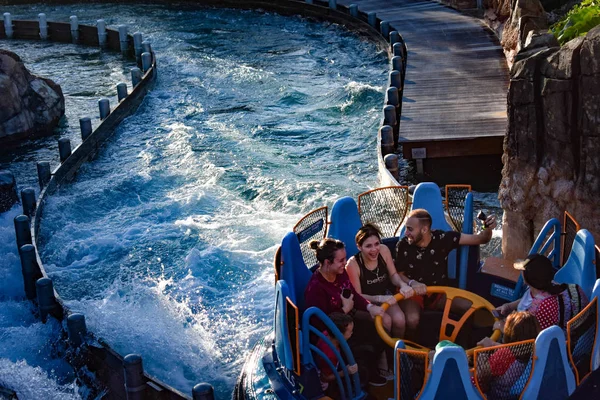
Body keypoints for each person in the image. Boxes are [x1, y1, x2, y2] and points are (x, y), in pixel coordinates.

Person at [394, 208, 497, 334]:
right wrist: (412, 283)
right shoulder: (403, 246)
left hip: (439, 294)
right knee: (412, 319)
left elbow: (481, 239)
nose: (406, 233)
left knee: (469, 308)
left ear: (425, 230)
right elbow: (398, 274)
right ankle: (410, 349)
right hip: (413, 294)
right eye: (406, 228)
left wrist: (487, 227)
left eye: (410, 229)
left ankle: (463, 346)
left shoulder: (442, 239)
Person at [304, 238, 388, 386]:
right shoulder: (315, 288)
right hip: (331, 335)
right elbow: (319, 323)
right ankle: (359, 382)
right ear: (327, 263)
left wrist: (369, 307)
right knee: (359, 351)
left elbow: (353, 294)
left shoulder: (340, 273)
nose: (345, 263)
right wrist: (345, 309)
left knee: (379, 333)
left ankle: (371, 370)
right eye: (341, 260)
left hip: (347, 324)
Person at [346, 223, 415, 339]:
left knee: (400, 320)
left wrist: (402, 284)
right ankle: (384, 352)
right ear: (359, 247)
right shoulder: (353, 264)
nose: (374, 250)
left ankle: (398, 350)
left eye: (376, 244)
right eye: (368, 246)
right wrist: (379, 298)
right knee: (386, 321)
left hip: (385, 294)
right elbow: (358, 296)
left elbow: (393, 275)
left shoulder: (384, 250)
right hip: (367, 301)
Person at [493, 253, 588, 332]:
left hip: (554, 341)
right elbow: (529, 298)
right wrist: (510, 306)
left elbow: (527, 339)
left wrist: (502, 327)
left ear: (528, 279)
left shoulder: (540, 309)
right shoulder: (546, 284)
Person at [475, 311, 541, 399]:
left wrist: (483, 353)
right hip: (511, 395)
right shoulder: (532, 351)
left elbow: (481, 376)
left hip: (493, 395)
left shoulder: (504, 355)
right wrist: (493, 345)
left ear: (511, 333)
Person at [316, 313, 359, 397]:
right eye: (350, 331)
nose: (352, 333)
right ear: (339, 335)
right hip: (326, 383)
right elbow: (325, 377)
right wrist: (345, 372)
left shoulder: (325, 333)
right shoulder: (331, 354)